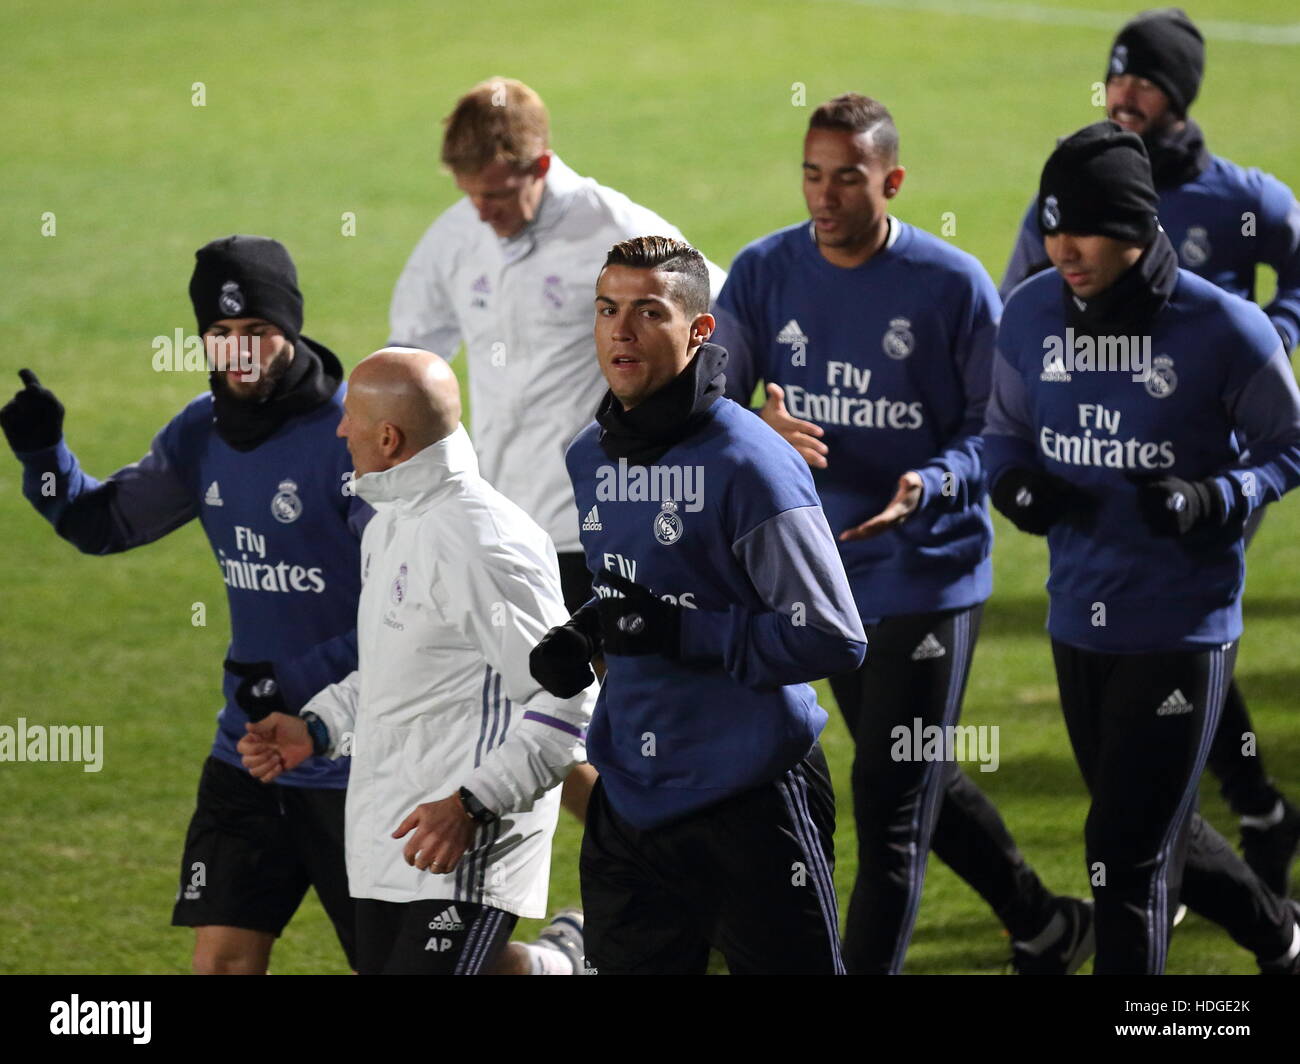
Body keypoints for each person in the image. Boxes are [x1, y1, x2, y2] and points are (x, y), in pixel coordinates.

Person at [710, 92, 1092, 975]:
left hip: (926, 574)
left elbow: (993, 429)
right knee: (916, 773)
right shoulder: (763, 272)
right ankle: (1043, 922)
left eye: (848, 177)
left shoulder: (951, 285)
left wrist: (929, 483)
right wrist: (752, 422)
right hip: (821, 578)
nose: (825, 195)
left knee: (886, 797)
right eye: (812, 174)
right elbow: (709, 393)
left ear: (892, 179)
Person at [0, 235, 366, 974]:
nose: (240, 355)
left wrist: (322, 712)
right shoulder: (201, 430)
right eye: (221, 336)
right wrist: (44, 457)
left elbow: (415, 609)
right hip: (250, 754)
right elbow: (100, 524)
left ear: (291, 329)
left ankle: (553, 960)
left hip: (361, 766)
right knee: (221, 965)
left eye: (258, 334)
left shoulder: (359, 435)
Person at [985, 121, 1300, 974]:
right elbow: (1001, 432)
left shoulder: (1226, 330)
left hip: (1182, 627)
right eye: (1052, 226)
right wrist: (1013, 486)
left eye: (1082, 227)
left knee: (1122, 855)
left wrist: (1215, 496)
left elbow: (1290, 445)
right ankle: (1281, 937)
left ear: (1133, 227)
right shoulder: (1028, 315)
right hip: (1078, 620)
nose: (1062, 247)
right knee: (1160, 825)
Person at [530, 235, 867, 974]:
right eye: (607, 309)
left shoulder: (750, 463)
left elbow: (834, 637)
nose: (621, 331)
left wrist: (684, 632)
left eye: (649, 312)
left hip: (751, 796)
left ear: (699, 329)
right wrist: (587, 629)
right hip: (631, 796)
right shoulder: (590, 453)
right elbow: (638, 586)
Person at [239, 348, 593, 975]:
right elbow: (393, 671)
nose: (340, 429)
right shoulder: (390, 523)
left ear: (388, 436)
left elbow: (568, 694)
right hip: (396, 836)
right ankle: (563, 964)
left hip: (467, 841)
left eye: (349, 417)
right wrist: (318, 727)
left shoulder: (482, 541)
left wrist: (473, 803)